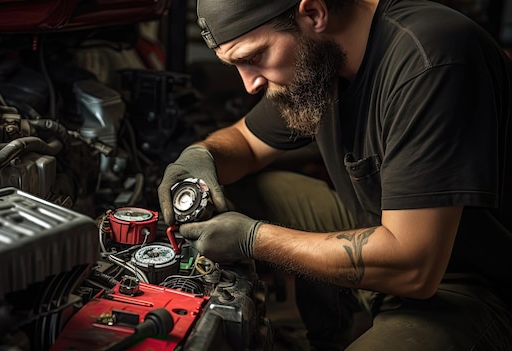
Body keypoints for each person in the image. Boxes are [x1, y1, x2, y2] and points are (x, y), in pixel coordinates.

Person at [157, 0, 512, 350]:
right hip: (377, 228)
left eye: (253, 58)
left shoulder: (432, 60)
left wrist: (254, 239)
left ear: (313, 13)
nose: (249, 84)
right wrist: (201, 155)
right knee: (236, 185)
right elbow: (246, 143)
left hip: (462, 285)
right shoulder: (320, 59)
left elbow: (414, 267)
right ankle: (334, 333)